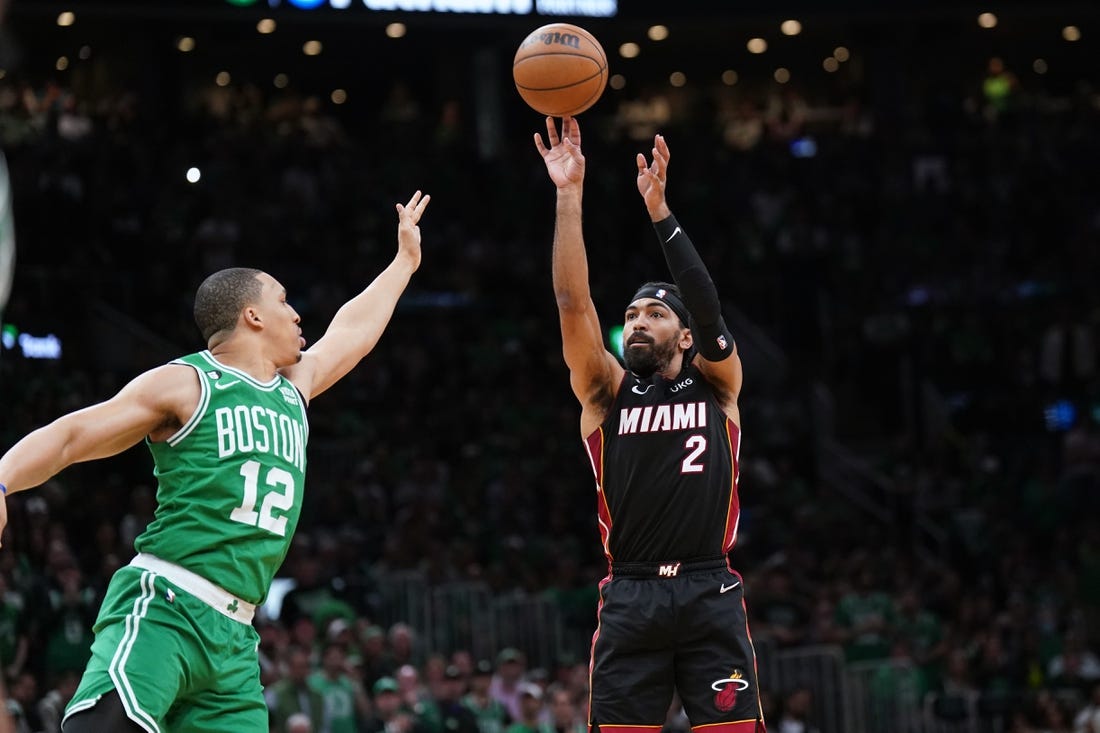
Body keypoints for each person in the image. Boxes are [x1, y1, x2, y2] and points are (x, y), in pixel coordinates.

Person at [0, 190, 431, 732]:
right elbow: (75, 434)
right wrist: (2, 482)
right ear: (252, 315)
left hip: (236, 640)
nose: (298, 314)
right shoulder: (188, 382)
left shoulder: (293, 388)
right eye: (284, 301)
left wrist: (404, 263)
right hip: (169, 604)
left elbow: (353, 331)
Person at [534, 115, 765, 732]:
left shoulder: (718, 384)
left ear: (685, 336)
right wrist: (568, 193)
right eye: (632, 313)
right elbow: (572, 302)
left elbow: (706, 299)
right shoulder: (607, 392)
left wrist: (660, 211)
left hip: (707, 588)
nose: (637, 320)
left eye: (655, 313)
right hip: (631, 593)